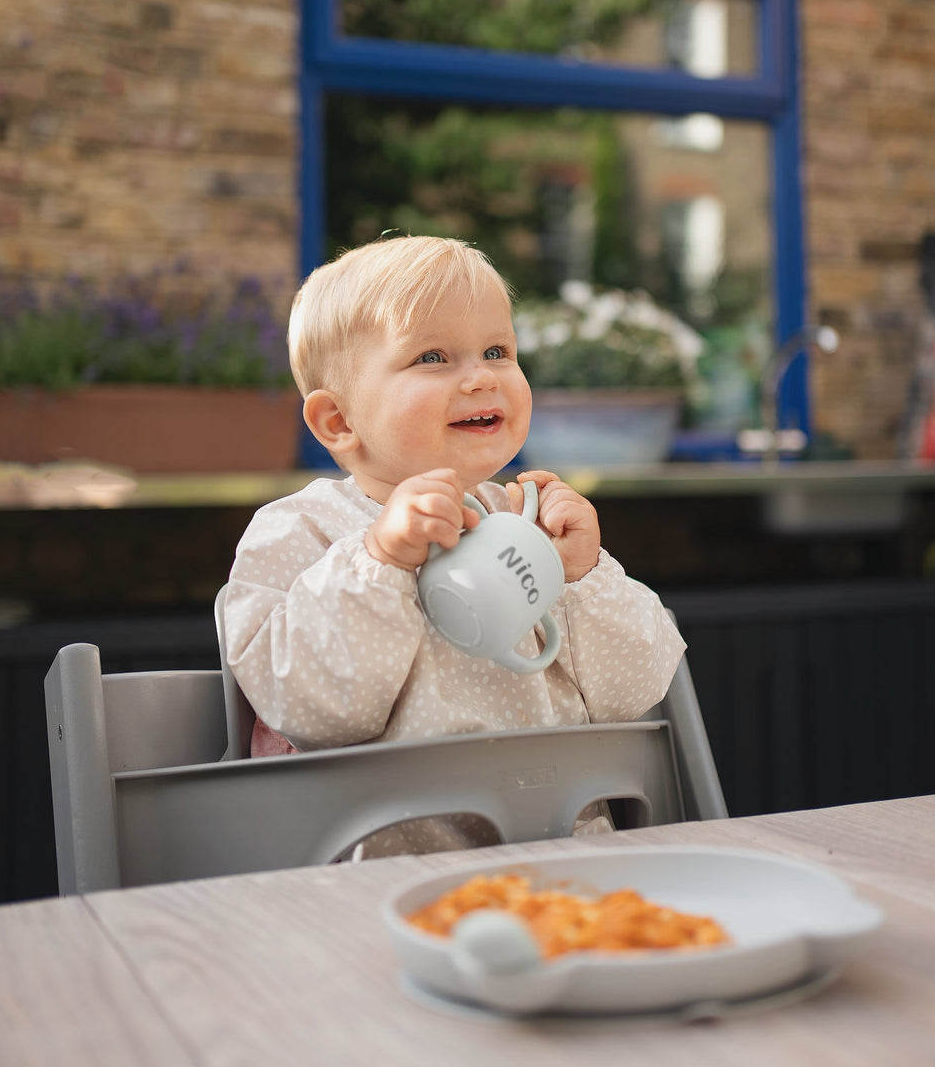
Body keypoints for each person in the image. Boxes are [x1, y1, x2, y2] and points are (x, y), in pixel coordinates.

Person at [223, 235, 686, 856]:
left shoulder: (526, 518)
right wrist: (381, 560)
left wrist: (583, 574)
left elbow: (637, 693)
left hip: (566, 859)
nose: (480, 377)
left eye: (497, 350)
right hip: (374, 880)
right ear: (339, 421)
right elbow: (315, 710)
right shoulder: (300, 531)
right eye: (433, 357)